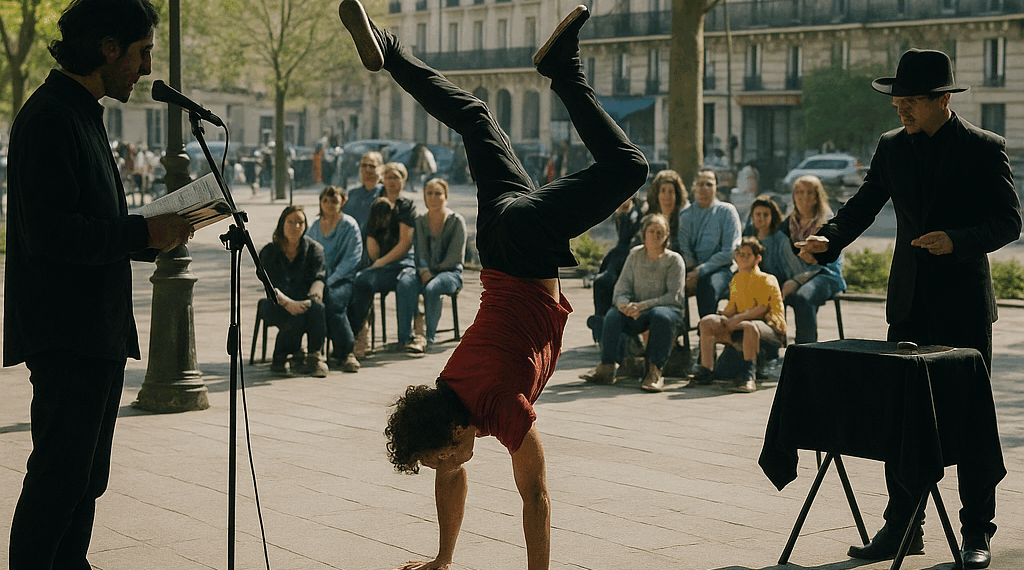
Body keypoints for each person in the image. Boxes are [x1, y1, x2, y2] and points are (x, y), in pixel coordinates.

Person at [337, 3, 647, 569]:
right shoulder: (448, 385)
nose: (448, 466)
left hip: (525, 250)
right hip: (501, 236)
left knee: (628, 168)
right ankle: (388, 49)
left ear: (458, 429)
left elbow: (536, 499)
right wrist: (442, 560)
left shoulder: (501, 408)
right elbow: (451, 476)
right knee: (477, 117)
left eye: (443, 455)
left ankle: (562, 70)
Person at [797, 48, 1021, 568]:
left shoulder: (986, 149)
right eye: (897, 102)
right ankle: (902, 528)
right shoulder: (891, 147)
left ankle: (975, 533)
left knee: (967, 420)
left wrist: (959, 241)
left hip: (963, 306)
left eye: (911, 102)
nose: (900, 110)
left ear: (943, 99)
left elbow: (1009, 224)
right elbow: (864, 201)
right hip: (908, 305)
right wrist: (828, 238)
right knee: (902, 419)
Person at [3, 0, 193, 568]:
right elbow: (52, 234)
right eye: (141, 53)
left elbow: (91, 225)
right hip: (68, 336)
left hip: (93, 333)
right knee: (59, 482)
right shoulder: (51, 117)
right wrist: (144, 232)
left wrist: (149, 236)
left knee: (84, 481)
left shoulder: (80, 111)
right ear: (107, 47)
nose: (145, 67)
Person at [580, 214, 685, 392]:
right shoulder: (635, 255)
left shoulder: (674, 260)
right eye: (652, 231)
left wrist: (642, 305)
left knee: (661, 316)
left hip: (667, 311)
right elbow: (621, 289)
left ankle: (654, 371)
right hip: (637, 310)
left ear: (667, 235)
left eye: (661, 232)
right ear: (644, 233)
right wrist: (624, 305)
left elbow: (673, 297)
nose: (656, 235)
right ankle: (607, 367)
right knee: (613, 314)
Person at [691, 237, 786, 393]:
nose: (742, 257)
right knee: (707, 322)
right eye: (740, 254)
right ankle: (706, 371)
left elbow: (762, 308)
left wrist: (738, 318)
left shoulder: (767, 279)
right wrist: (722, 317)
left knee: (749, 326)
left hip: (769, 329)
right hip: (740, 325)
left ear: (758, 258)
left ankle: (748, 376)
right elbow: (732, 307)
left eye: (747, 255)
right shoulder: (736, 279)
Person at [347, 162, 417, 355]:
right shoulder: (377, 203)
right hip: (382, 266)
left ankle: (406, 337)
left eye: (396, 177)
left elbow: (404, 243)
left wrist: (380, 263)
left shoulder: (406, 205)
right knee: (361, 281)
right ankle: (358, 335)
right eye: (388, 177)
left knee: (406, 283)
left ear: (403, 180)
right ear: (382, 179)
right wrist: (375, 261)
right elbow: (372, 238)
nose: (392, 181)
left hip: (403, 263)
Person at [397, 178, 467, 353]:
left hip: (450, 272)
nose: (433, 198)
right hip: (423, 270)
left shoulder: (456, 221)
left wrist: (432, 272)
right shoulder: (420, 220)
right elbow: (419, 251)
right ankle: (404, 338)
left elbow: (455, 256)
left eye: (438, 193)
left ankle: (427, 337)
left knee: (433, 288)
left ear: (446, 196)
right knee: (405, 283)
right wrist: (423, 270)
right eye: (429, 193)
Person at [257, 205, 329, 377]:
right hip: (276, 301)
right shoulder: (269, 251)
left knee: (317, 308)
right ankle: (280, 358)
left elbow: (319, 278)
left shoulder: (314, 249)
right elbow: (270, 285)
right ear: (282, 224)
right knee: (293, 316)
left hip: (304, 300)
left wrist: (313, 297)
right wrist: (289, 304)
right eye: (290, 222)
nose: (295, 227)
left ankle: (314, 356)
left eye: (300, 222)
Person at [776, 175, 846, 344]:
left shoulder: (828, 222)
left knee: (803, 296)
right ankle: (771, 351)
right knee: (771, 291)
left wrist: (797, 280)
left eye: (809, 192)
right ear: (794, 196)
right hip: (794, 274)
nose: (804, 196)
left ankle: (805, 350)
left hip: (827, 275)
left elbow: (829, 262)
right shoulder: (788, 224)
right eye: (799, 192)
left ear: (817, 197)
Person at [306, 185, 363, 372]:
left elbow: (351, 259)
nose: (329, 205)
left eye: (334, 201)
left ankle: (346, 353)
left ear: (343, 202)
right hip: (318, 280)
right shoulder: (314, 227)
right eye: (325, 201)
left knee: (334, 303)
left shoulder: (349, 225)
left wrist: (329, 282)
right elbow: (306, 251)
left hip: (342, 279)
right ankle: (312, 352)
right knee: (312, 303)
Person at [678, 168, 742, 317]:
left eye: (709, 184)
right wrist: (692, 269)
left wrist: (701, 271)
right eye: (700, 184)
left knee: (708, 286)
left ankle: (706, 333)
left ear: (716, 187)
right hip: (692, 268)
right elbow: (684, 247)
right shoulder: (686, 215)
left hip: (721, 269)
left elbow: (730, 251)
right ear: (694, 187)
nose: (704, 189)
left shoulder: (727, 212)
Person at [584, 193, 642, 342]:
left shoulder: (636, 214)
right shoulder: (616, 213)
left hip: (631, 261)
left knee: (608, 281)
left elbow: (625, 241)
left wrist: (622, 217)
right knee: (600, 282)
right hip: (616, 260)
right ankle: (601, 323)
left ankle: (604, 325)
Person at [645, 169, 687, 250]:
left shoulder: (684, 218)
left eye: (670, 191)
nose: (666, 195)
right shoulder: (648, 217)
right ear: (657, 194)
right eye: (663, 191)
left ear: (677, 195)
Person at [344, 150, 385, 232]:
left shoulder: (385, 193)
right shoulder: (352, 194)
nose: (367, 169)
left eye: (372, 166)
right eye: (364, 165)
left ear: (381, 168)